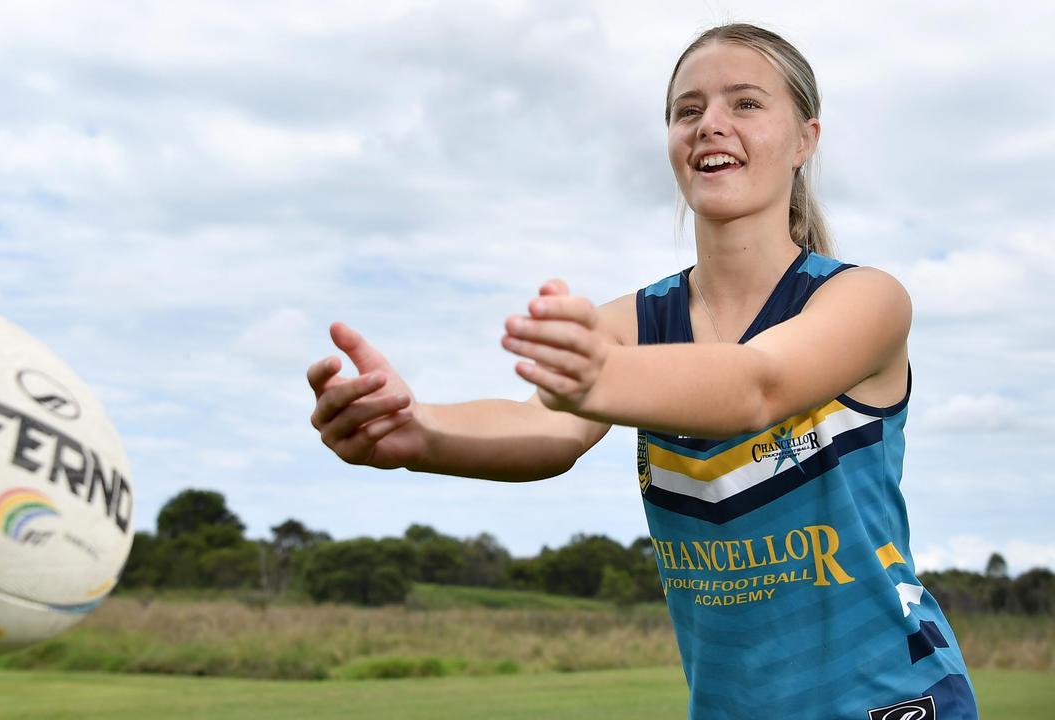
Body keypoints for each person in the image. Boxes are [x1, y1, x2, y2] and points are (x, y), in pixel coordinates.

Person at [307, 22, 977, 720]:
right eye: (688, 111)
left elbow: (758, 385)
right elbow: (545, 426)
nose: (710, 125)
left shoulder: (864, 300)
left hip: (897, 700)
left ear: (806, 140)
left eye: (745, 104)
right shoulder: (632, 323)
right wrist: (420, 434)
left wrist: (600, 380)